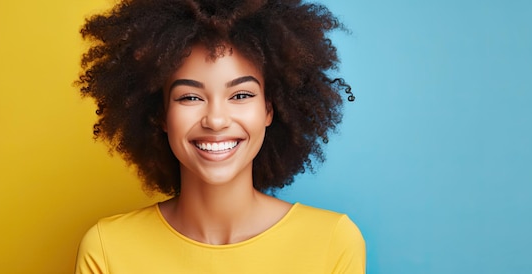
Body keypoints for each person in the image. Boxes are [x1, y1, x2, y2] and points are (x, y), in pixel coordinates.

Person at [74, 0, 364, 273]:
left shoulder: (331, 242)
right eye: (189, 97)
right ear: (161, 115)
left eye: (240, 95)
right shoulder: (107, 249)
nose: (215, 120)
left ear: (268, 110)